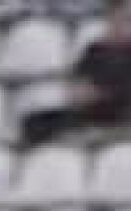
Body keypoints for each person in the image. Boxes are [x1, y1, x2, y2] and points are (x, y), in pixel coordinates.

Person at [23, 1, 131, 146]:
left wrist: (99, 93)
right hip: (89, 109)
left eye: (123, 21)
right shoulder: (95, 49)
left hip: (119, 111)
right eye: (113, 20)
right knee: (34, 121)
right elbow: (77, 77)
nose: (117, 25)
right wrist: (78, 90)